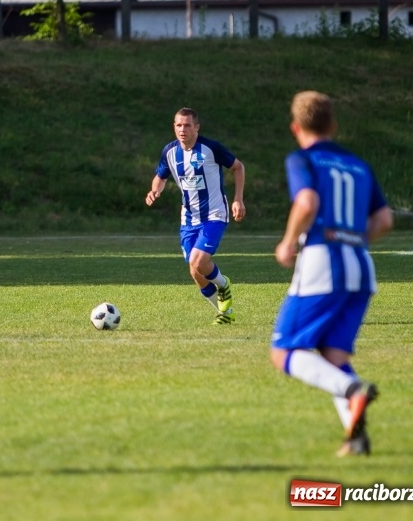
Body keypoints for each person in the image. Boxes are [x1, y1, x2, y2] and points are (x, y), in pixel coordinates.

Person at [270, 91, 393, 456]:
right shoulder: (357, 164)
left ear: (296, 128)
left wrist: (288, 242)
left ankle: (353, 391)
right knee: (333, 358)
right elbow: (385, 220)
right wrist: (353, 240)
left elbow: (307, 201)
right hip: (361, 266)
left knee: (283, 352)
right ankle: (356, 440)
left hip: (322, 263)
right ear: (333, 125)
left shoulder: (302, 159)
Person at [145, 107, 246, 324]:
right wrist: (155, 190)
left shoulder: (211, 148)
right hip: (189, 219)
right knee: (195, 272)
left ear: (196, 127)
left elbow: (238, 167)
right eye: (178, 125)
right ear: (174, 127)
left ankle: (223, 283)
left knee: (198, 261)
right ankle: (226, 314)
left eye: (187, 125)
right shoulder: (170, 152)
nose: (182, 129)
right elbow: (160, 177)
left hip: (214, 215)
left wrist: (238, 199)